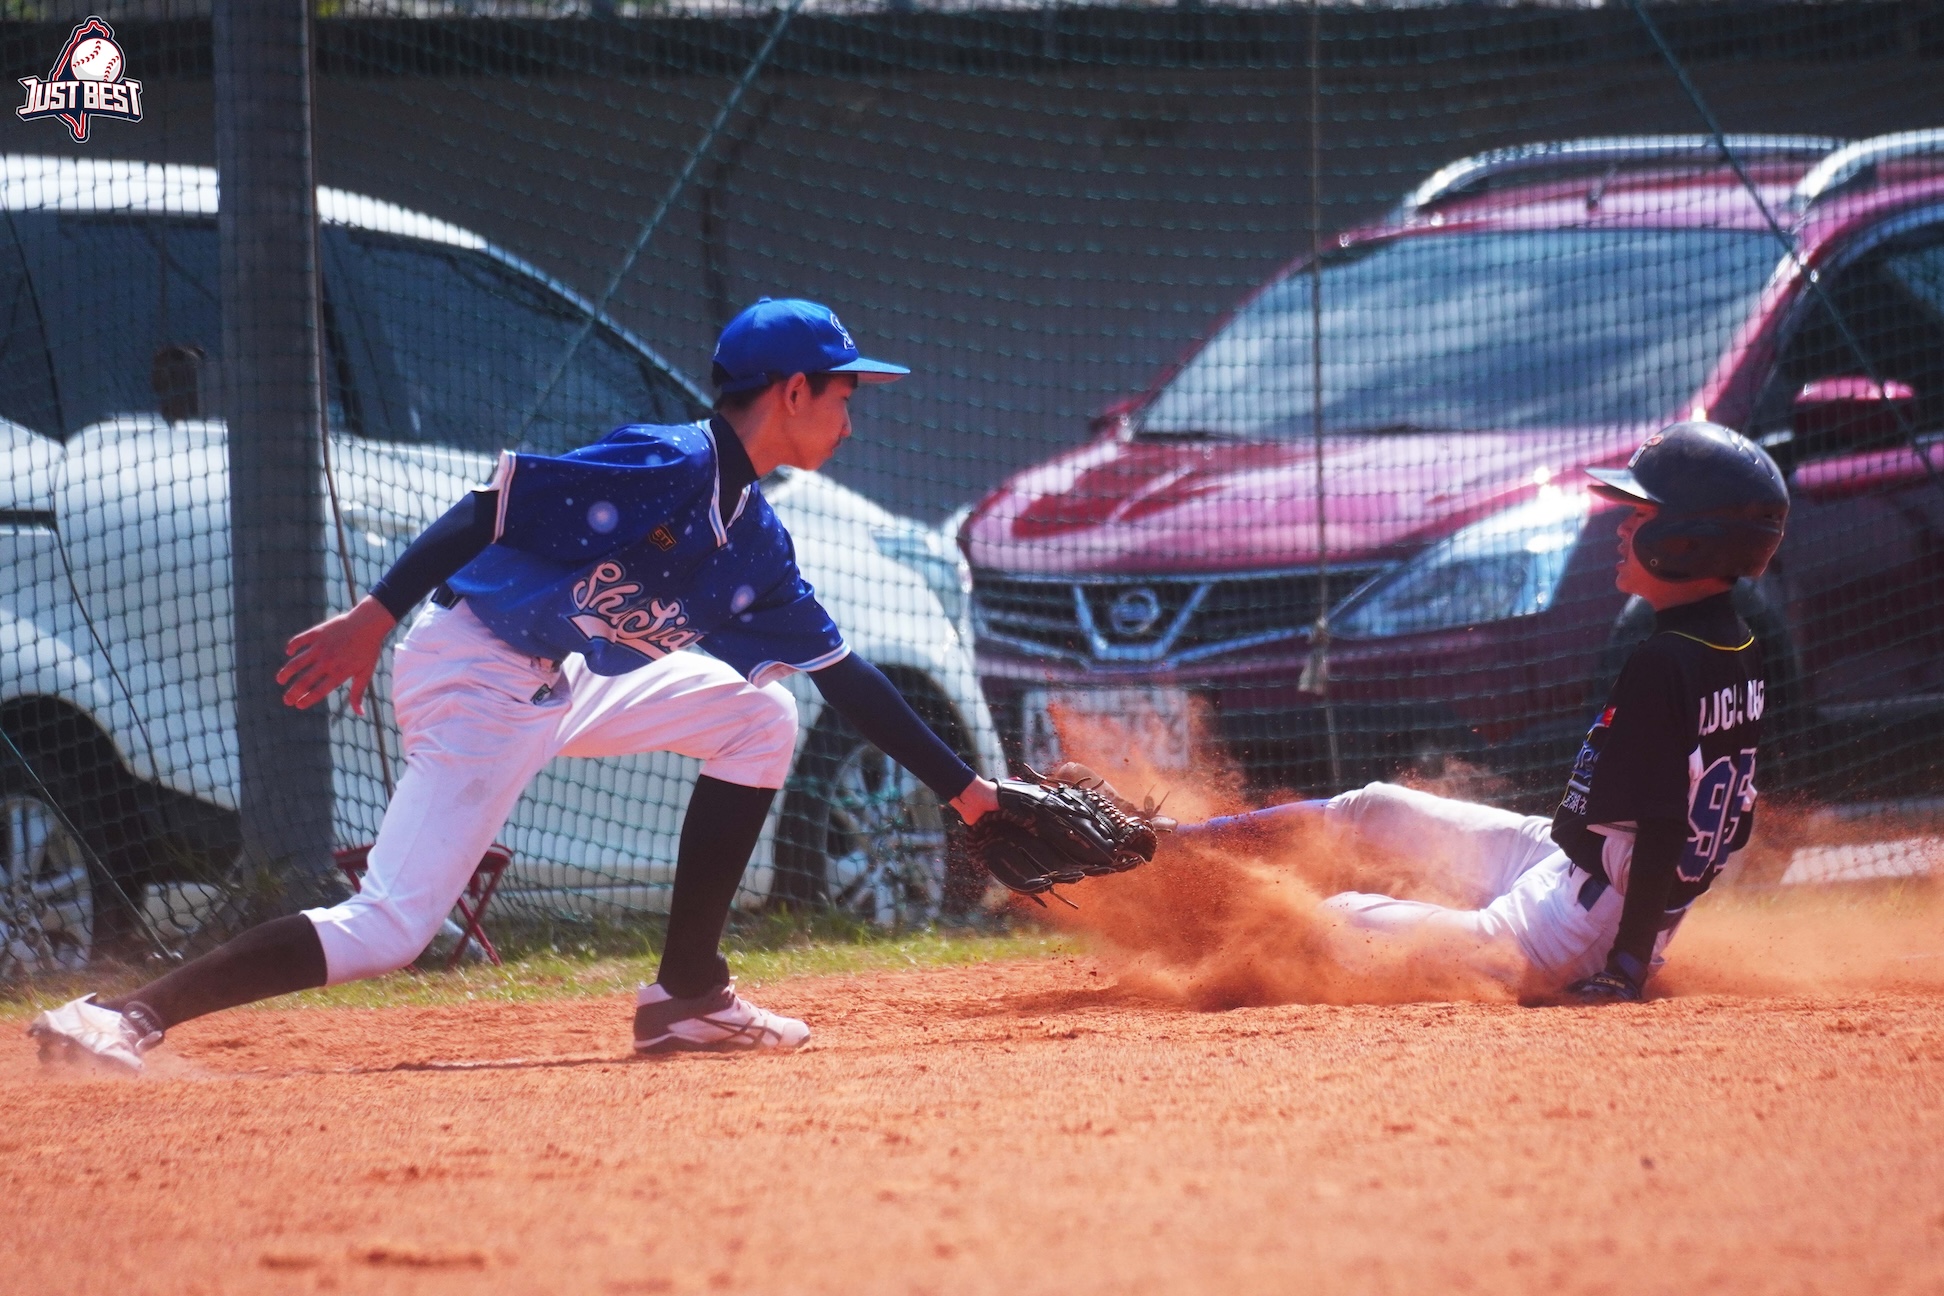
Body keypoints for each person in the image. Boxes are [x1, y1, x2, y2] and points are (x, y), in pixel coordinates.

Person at [30, 298, 1000, 1070]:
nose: (851, 417)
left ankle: (688, 999)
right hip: (475, 669)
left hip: (557, 677)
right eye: (843, 392)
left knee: (759, 716)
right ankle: (121, 1016)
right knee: (390, 927)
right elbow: (491, 506)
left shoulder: (753, 537)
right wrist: (375, 613)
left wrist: (970, 794)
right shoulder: (671, 461)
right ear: (791, 391)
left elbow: (847, 678)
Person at [1172, 421, 1790, 1002]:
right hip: (1576, 874)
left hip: (1563, 934)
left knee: (1332, 922)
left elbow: (1662, 828)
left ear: (1688, 540)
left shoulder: (1664, 661)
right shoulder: (1736, 648)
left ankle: (1181, 927)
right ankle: (1172, 844)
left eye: (1641, 515)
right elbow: (1724, 823)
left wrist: (1625, 967)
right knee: (1372, 807)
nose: (1622, 529)